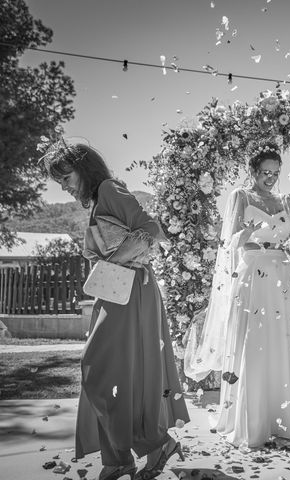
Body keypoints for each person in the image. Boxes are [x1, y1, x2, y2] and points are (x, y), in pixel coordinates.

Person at [41, 141, 189, 480]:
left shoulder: (109, 188)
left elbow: (153, 230)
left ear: (84, 167)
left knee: (105, 369)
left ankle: (151, 445)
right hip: (115, 293)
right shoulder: (97, 199)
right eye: (59, 182)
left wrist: (113, 262)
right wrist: (110, 266)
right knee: (109, 373)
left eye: (65, 177)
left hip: (133, 291)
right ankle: (120, 457)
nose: (63, 187)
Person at [184, 142, 290, 448]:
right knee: (253, 344)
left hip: (280, 275)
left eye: (275, 173)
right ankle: (251, 421)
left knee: (281, 342)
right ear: (253, 171)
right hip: (252, 274)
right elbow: (231, 243)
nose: (270, 178)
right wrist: (249, 233)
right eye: (265, 172)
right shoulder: (240, 196)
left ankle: (279, 418)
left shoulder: (285, 200)